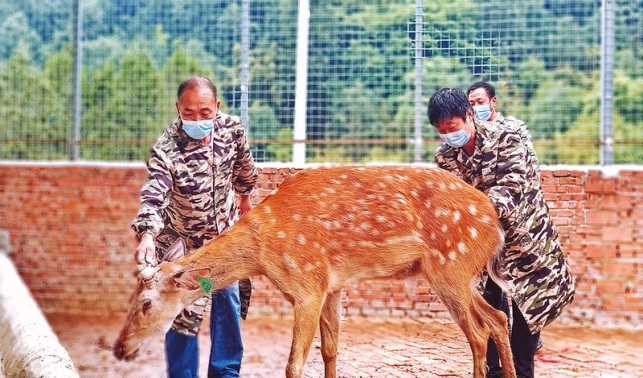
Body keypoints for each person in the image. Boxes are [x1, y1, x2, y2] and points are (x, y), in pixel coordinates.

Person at [427, 88, 575, 378]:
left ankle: (523, 372)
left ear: (469, 115)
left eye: (452, 127)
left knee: (525, 309)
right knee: (486, 304)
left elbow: (512, 185)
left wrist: (470, 214)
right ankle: (494, 371)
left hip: (523, 235)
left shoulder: (506, 138)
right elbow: (449, 195)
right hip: (481, 241)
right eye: (441, 130)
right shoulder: (445, 156)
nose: (447, 134)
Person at [131, 76, 258, 378]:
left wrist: (244, 200)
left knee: (225, 297)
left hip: (222, 243)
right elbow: (154, 194)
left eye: (205, 112)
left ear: (217, 106)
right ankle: (182, 374)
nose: (197, 119)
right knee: (184, 312)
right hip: (184, 250)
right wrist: (147, 235)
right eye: (189, 113)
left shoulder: (231, 131)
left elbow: (244, 167)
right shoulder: (167, 148)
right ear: (178, 108)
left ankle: (225, 373)